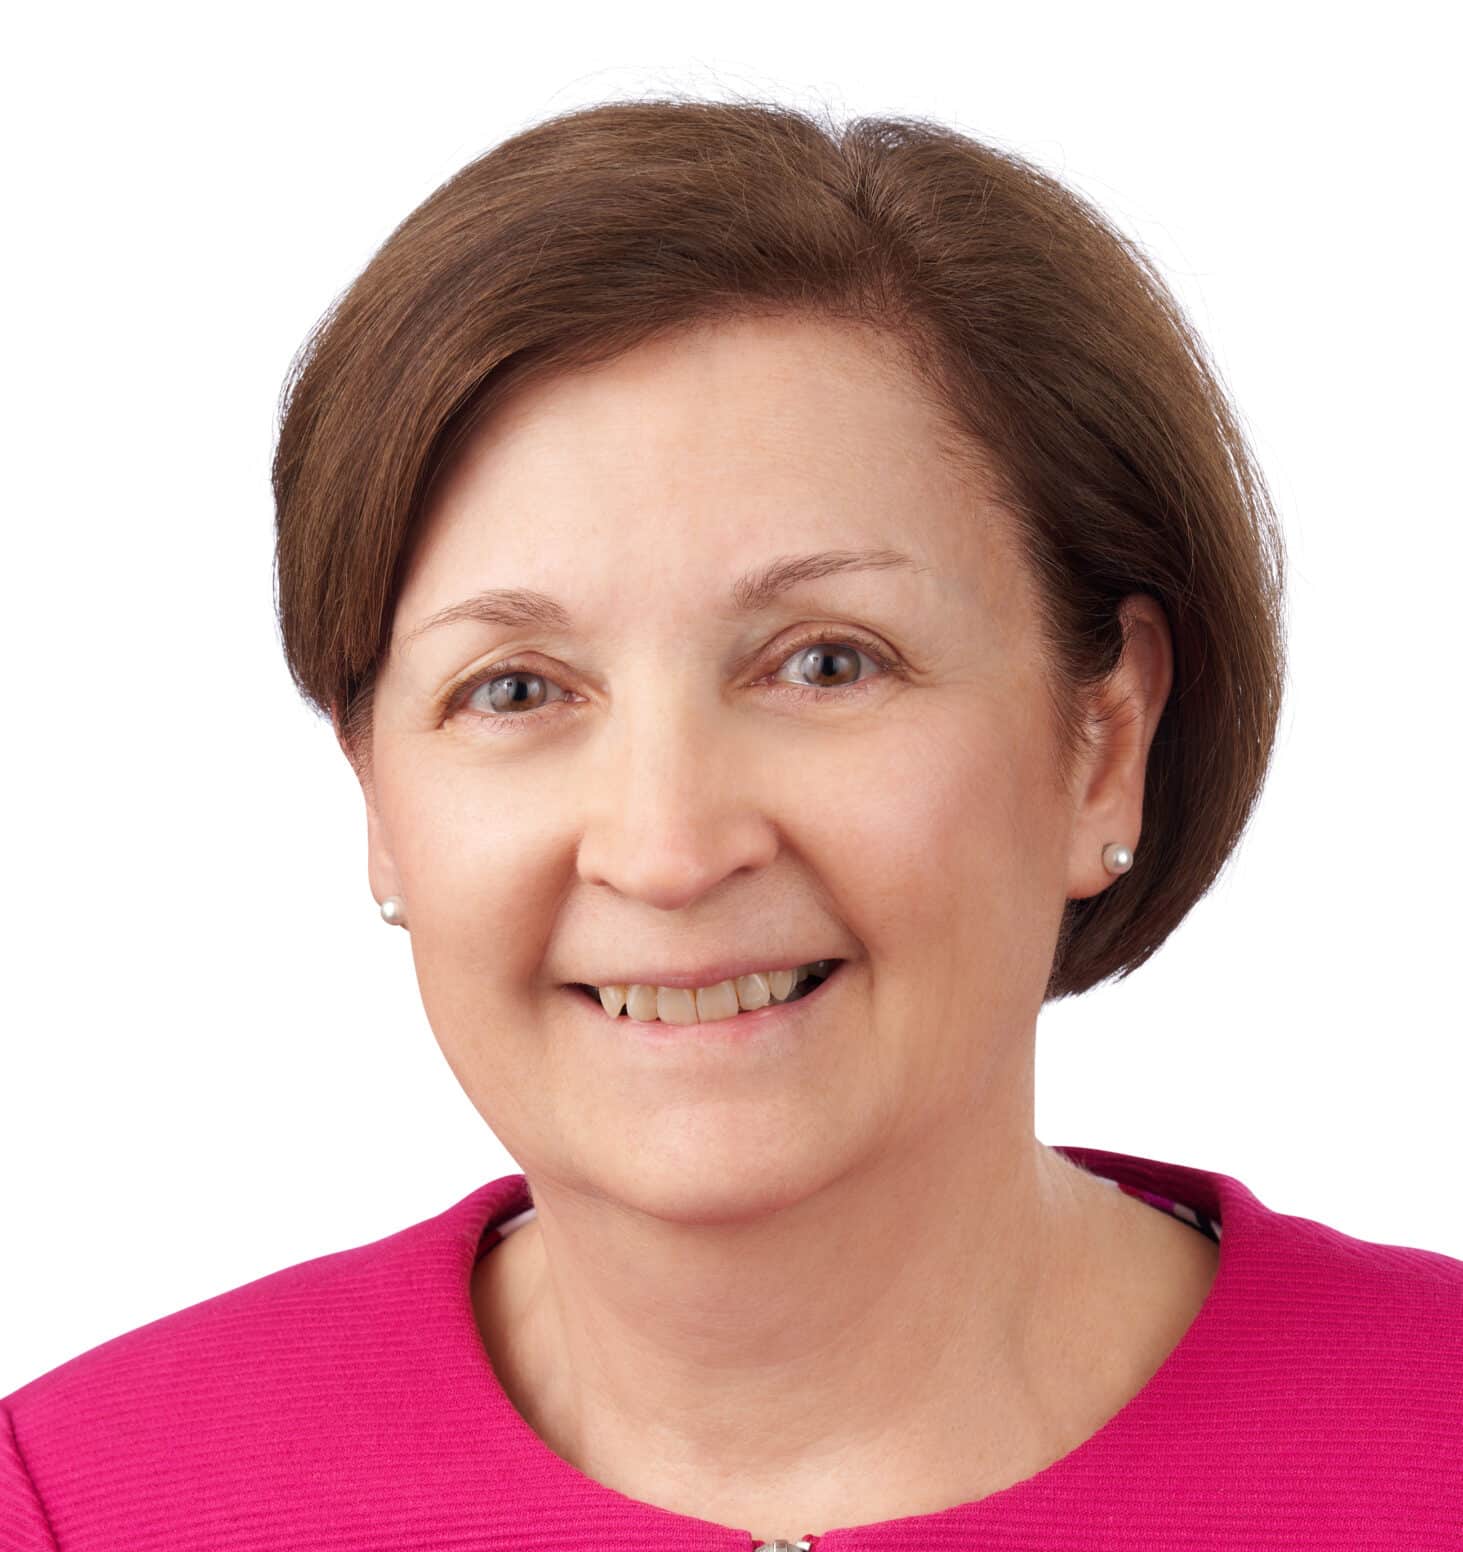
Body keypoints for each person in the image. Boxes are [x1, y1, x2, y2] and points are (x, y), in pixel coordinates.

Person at [4, 96, 1459, 1550]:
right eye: (514, 688)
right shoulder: (78, 1501)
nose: (666, 847)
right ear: (378, 796)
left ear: (1105, 739)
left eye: (827, 661)